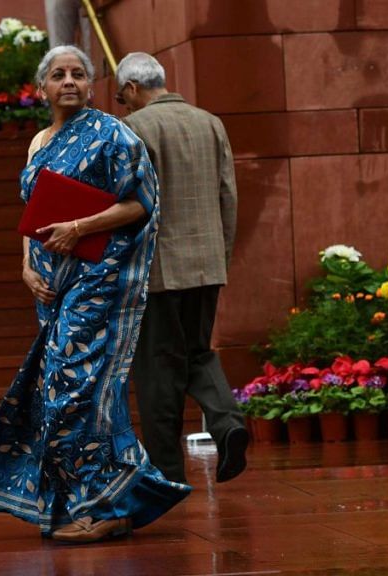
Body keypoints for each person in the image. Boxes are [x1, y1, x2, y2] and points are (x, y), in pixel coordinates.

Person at [0, 45, 190, 544]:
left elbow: (141, 202)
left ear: (92, 86)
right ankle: (85, 503)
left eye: (79, 74)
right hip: (49, 287)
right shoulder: (39, 141)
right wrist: (25, 264)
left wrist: (80, 225)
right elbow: (31, 213)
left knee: (75, 390)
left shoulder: (112, 133)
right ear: (42, 87)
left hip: (96, 282)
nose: (69, 81)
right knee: (58, 394)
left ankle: (111, 505)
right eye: (58, 74)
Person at [115, 52, 247, 486]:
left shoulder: (136, 127)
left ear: (132, 89)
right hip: (207, 265)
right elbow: (228, 196)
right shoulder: (210, 122)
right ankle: (227, 423)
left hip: (157, 271)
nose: (123, 104)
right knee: (198, 352)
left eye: (122, 97)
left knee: (157, 368)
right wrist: (220, 258)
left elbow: (129, 203)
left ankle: (165, 472)